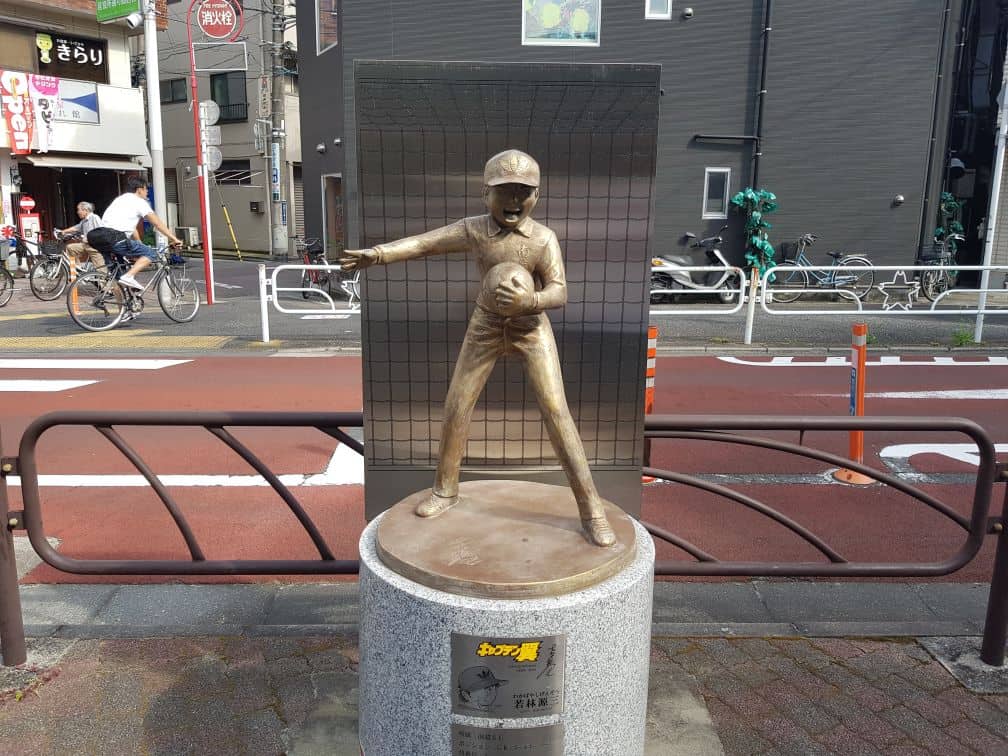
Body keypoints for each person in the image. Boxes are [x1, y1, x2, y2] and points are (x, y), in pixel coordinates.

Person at [340, 149, 615, 547]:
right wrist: (378, 254)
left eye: (524, 192)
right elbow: (424, 244)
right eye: (505, 192)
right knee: (458, 404)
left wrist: (531, 302)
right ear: (485, 194)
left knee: (556, 412)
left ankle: (592, 510)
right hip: (485, 325)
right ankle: (445, 490)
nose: (514, 201)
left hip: (530, 327)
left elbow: (559, 291)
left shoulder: (543, 239)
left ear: (536, 196)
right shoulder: (474, 229)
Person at [97, 176, 182, 289]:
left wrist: (139, 244)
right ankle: (129, 276)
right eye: (146, 189)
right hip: (117, 239)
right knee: (151, 253)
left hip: (102, 238)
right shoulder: (139, 202)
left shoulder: (120, 199)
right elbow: (157, 224)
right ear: (139, 189)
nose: (147, 192)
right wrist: (174, 238)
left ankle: (123, 305)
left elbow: (132, 229)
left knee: (118, 278)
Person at [56, 201, 105, 270]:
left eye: (79, 210)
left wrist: (90, 239)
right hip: (86, 245)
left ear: (85, 210)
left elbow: (102, 231)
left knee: (100, 269)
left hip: (95, 246)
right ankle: (76, 269)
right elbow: (76, 228)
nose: (77, 212)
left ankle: (102, 279)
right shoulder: (84, 221)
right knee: (70, 248)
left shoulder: (94, 217)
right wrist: (63, 231)